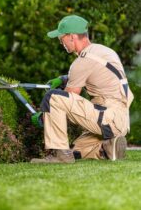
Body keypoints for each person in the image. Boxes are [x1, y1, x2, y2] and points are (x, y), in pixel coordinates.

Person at [31, 15, 134, 163]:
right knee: (75, 150)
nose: (60, 41)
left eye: (61, 37)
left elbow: (68, 98)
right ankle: (107, 149)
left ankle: (60, 156)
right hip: (120, 120)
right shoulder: (103, 51)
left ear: (72, 37)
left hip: (108, 118)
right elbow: (98, 75)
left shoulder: (82, 62)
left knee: (53, 97)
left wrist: (43, 117)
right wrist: (65, 79)